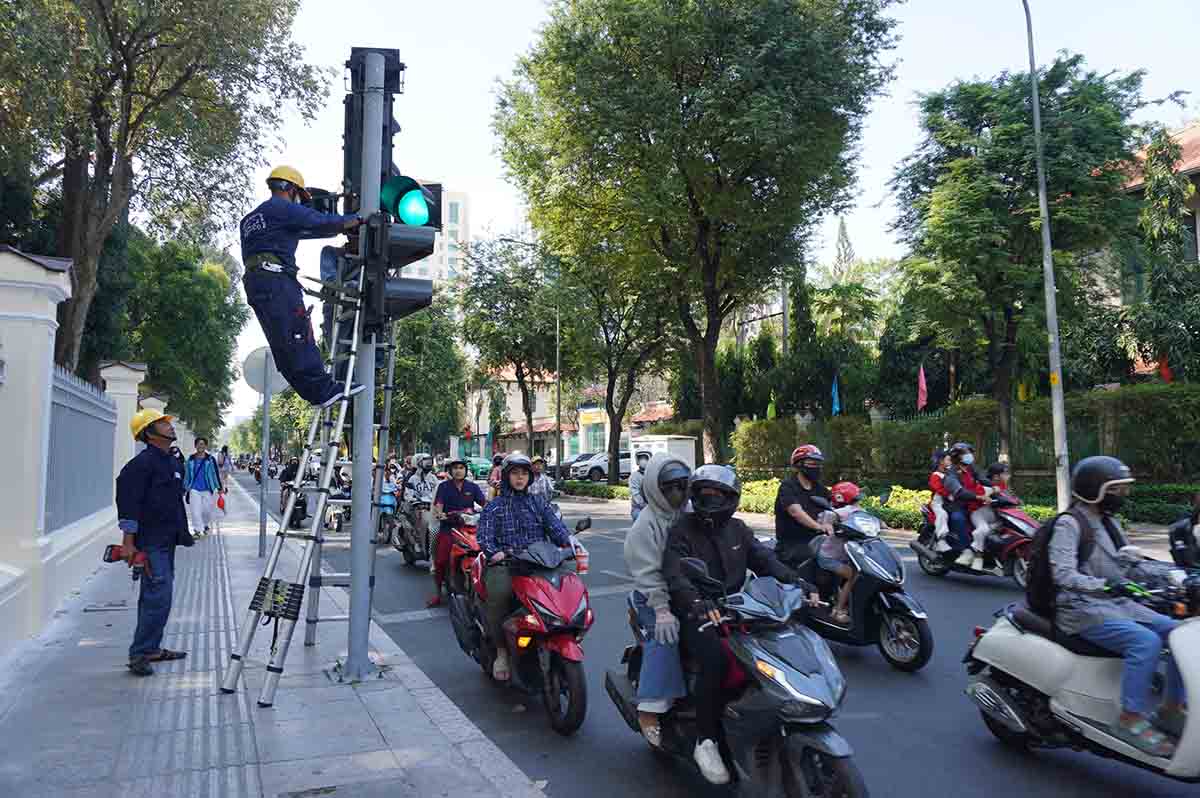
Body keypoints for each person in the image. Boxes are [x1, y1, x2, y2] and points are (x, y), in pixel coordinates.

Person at [663, 465, 815, 785]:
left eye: (718, 495)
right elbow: (676, 575)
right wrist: (697, 603)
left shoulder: (739, 530)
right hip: (698, 613)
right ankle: (706, 741)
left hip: (739, 609)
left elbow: (765, 561)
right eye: (704, 494)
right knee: (717, 660)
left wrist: (797, 581)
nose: (710, 500)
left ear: (731, 499)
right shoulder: (682, 529)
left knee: (777, 647)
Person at [1050, 456, 1187, 757]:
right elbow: (1062, 574)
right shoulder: (1069, 524)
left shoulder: (1109, 522)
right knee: (1146, 642)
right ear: (1095, 490)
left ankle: (1171, 709)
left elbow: (1129, 566)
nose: (1123, 496)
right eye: (1117, 490)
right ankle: (1130, 718)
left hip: (1118, 604)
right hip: (1081, 609)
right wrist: (1105, 586)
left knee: (1178, 633)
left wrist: (1175, 575)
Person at [239, 165, 365, 408]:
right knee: (298, 335)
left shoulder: (250, 220)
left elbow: (299, 229)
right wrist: (355, 221)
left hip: (256, 284)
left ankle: (314, 393)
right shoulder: (282, 207)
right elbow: (319, 222)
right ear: (290, 188)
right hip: (277, 281)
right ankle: (324, 390)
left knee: (282, 343)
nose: (300, 202)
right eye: (300, 197)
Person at [476, 453, 573, 682]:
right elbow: (485, 536)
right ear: (507, 476)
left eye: (524, 474)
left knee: (564, 589)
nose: (520, 478)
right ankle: (501, 652)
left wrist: (571, 544)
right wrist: (494, 553)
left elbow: (557, 528)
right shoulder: (495, 506)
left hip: (539, 562)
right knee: (499, 594)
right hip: (508, 564)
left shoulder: (538, 503)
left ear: (530, 477)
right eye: (515, 474)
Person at [116, 409, 193, 676]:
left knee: (156, 596)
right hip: (150, 542)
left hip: (166, 539)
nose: (169, 426)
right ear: (149, 433)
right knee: (158, 596)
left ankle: (150, 648)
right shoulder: (142, 464)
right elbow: (128, 500)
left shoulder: (169, 461)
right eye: (161, 423)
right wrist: (128, 541)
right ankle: (140, 654)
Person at [622, 453, 691, 747]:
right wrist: (662, 609)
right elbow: (647, 573)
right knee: (665, 638)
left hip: (690, 592)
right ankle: (649, 709)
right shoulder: (645, 526)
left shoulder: (690, 514)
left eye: (681, 485)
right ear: (654, 489)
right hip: (653, 599)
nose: (676, 493)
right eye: (669, 487)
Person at [427, 458, 486, 607]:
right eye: (455, 468)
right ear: (450, 471)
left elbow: (484, 503)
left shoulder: (472, 487)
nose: (458, 470)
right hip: (449, 528)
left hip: (470, 528)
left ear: (466, 470)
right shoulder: (444, 487)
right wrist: (440, 513)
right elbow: (438, 505)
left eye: (461, 468)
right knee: (440, 561)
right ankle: (437, 594)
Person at [773, 444, 833, 566]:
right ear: (799, 465)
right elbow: (796, 512)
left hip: (818, 541)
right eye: (811, 463)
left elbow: (835, 506)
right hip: (792, 545)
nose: (816, 467)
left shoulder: (819, 488)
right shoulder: (788, 487)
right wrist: (819, 527)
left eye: (818, 464)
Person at [816, 481, 864, 625]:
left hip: (846, 556)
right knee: (854, 575)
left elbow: (867, 518)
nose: (857, 503)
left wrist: (880, 523)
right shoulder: (835, 513)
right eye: (855, 500)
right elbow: (826, 519)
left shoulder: (855, 511)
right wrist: (828, 524)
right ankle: (838, 610)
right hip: (829, 557)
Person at [944, 442, 994, 569]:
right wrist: (978, 497)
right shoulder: (951, 473)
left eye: (970, 453)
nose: (970, 456)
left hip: (973, 503)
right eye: (966, 453)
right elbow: (959, 492)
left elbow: (983, 479)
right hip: (957, 505)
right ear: (957, 457)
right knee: (958, 518)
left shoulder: (971, 468)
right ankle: (966, 550)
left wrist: (996, 486)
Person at [183, 437, 224, 537]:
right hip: (194, 489)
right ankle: (197, 530)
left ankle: (205, 525)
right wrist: (185, 487)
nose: (200, 446)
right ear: (195, 446)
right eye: (198, 444)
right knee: (195, 511)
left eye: (202, 444)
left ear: (205, 446)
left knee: (207, 511)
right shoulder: (191, 459)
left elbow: (215, 473)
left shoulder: (210, 459)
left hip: (207, 489)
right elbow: (187, 474)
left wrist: (219, 487)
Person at [928, 450, 952, 550]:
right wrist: (949, 495)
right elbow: (938, 488)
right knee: (942, 514)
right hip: (937, 503)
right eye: (948, 460)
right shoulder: (936, 475)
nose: (950, 461)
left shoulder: (950, 474)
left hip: (949, 502)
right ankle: (941, 539)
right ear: (941, 461)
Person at [628, 450, 652, 521]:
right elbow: (636, 495)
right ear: (637, 460)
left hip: (654, 509)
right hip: (638, 509)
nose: (643, 460)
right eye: (641, 458)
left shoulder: (654, 474)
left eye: (645, 458)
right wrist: (646, 507)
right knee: (641, 519)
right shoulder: (634, 477)